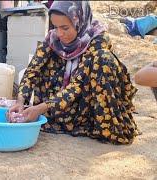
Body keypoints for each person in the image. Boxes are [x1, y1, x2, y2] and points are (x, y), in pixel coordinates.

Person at [7, 1, 140, 144]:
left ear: (79, 21)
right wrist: (20, 101)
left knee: (103, 60)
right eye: (55, 27)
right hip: (63, 106)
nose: (59, 33)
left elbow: (78, 85)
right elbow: (33, 70)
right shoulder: (53, 39)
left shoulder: (97, 40)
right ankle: (62, 119)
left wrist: (41, 108)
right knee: (45, 56)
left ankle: (103, 125)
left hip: (88, 104)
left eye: (65, 27)